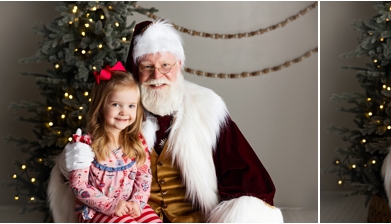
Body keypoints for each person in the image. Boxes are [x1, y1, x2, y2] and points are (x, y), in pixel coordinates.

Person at [53, 20, 283, 222]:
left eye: (165, 65)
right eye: (147, 67)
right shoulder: (122, 110)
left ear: (179, 66)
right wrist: (67, 164)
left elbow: (243, 169)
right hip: (134, 217)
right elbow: (90, 165)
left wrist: (246, 210)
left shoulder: (207, 109)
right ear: (136, 70)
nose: (156, 75)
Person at [66, 64, 160, 223]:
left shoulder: (137, 141)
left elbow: (143, 176)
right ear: (100, 106)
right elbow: (78, 186)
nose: (124, 112)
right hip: (95, 210)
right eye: (116, 104)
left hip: (129, 204)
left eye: (131, 106)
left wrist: (137, 202)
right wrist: (111, 205)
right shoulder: (86, 144)